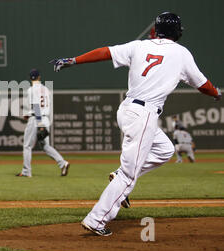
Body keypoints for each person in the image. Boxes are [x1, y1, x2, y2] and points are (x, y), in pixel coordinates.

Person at [50, 12, 221, 236]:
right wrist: (216, 93)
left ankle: (119, 174)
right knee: (129, 177)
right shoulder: (181, 53)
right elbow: (203, 84)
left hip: (128, 109)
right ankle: (96, 219)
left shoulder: (139, 46)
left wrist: (74, 60)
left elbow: (106, 52)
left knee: (165, 150)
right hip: (144, 114)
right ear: (177, 32)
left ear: (156, 30)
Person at [17, 69, 70, 177]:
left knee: (27, 146)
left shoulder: (31, 90)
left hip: (36, 119)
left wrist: (39, 123)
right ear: (39, 77)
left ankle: (26, 172)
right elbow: (44, 106)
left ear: (30, 78)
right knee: (45, 146)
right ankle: (63, 163)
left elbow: (36, 105)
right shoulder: (46, 89)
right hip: (45, 118)